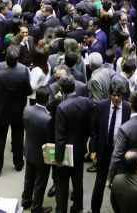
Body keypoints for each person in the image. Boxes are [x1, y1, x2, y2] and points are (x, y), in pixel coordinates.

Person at [54, 76, 95, 213]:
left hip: (65, 152)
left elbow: (60, 137)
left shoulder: (61, 107)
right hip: (80, 149)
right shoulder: (86, 102)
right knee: (78, 181)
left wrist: (58, 159)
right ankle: (77, 207)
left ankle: (61, 209)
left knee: (62, 184)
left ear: (62, 90)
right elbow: (91, 125)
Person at [0, 46, 32, 176]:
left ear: (5, 60)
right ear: (17, 60)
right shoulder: (23, 73)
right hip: (18, 111)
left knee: (0, 141)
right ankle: (18, 164)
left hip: (1, 111)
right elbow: (29, 92)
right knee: (18, 139)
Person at [90, 83, 131, 213]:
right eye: (114, 95)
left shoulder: (128, 108)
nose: (116, 98)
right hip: (104, 151)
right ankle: (94, 209)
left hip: (120, 153)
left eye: (119, 96)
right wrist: (93, 150)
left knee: (118, 185)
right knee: (99, 184)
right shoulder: (101, 106)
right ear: (109, 95)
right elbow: (94, 130)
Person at [22, 87, 53, 213]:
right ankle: (36, 208)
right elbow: (50, 140)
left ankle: (26, 200)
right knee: (40, 182)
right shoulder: (48, 119)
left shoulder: (27, 110)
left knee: (29, 178)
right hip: (42, 155)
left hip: (29, 150)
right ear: (48, 99)